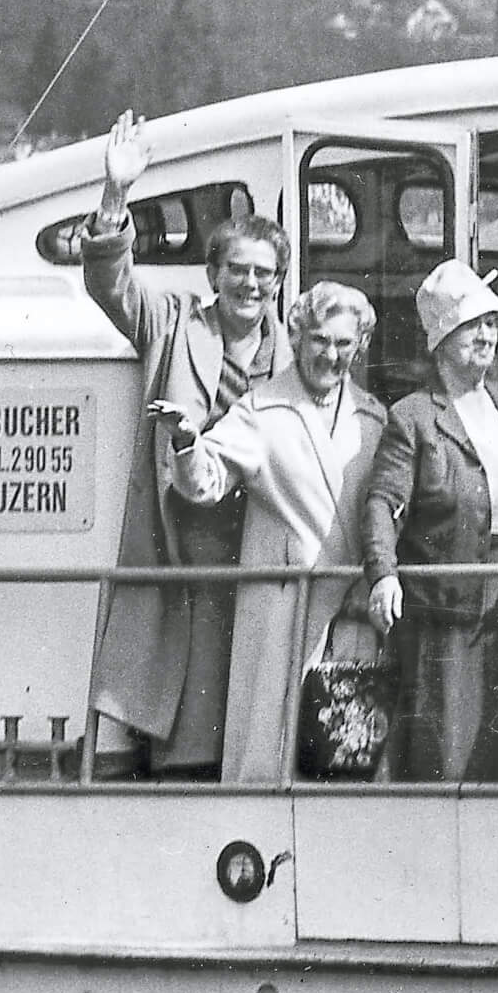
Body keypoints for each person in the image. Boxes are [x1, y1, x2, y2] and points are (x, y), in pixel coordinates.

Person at [81, 111, 286, 777]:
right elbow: (109, 283)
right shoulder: (171, 323)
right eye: (237, 270)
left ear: (280, 282)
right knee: (190, 722)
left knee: (259, 717)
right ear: (213, 273)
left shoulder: (296, 353)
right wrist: (116, 193)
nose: (249, 285)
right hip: (184, 548)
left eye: (264, 274)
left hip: (260, 543)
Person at [170, 282, 388, 783]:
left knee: (348, 761)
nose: (329, 354)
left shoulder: (374, 417)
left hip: (352, 619)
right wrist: (187, 444)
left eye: (342, 343)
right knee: (271, 758)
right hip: (282, 615)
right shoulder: (260, 410)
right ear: (296, 337)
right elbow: (205, 484)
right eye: (318, 340)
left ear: (358, 347)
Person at [366, 259, 498, 782]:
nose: (486, 334)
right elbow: (383, 501)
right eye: (472, 324)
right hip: (452, 610)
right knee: (451, 748)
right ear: (440, 338)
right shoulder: (412, 416)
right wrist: (383, 573)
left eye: (492, 323)